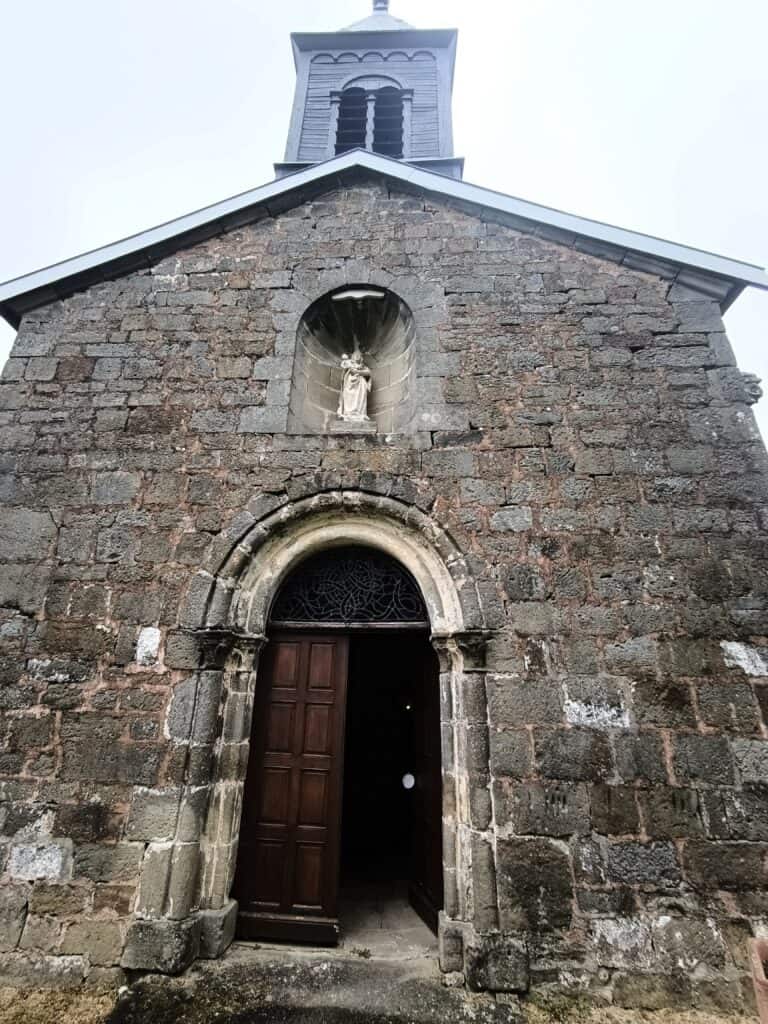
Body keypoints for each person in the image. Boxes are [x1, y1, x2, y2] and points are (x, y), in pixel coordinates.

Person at [338, 349, 372, 421]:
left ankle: (360, 413)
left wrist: (358, 371)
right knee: (348, 395)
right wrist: (347, 368)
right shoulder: (349, 364)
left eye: (359, 355)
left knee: (361, 396)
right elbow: (343, 375)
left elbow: (368, 373)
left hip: (360, 384)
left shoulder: (363, 366)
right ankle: (347, 413)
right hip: (349, 383)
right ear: (352, 356)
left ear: (361, 358)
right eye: (355, 355)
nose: (357, 356)